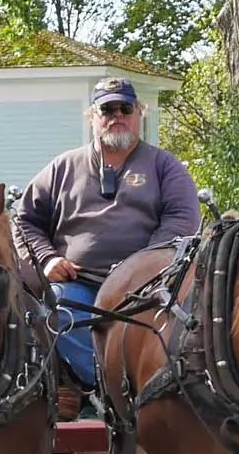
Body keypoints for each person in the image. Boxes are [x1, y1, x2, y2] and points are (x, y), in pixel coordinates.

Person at [13, 76, 201, 416]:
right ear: (92, 117)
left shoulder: (164, 167)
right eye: (107, 109)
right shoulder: (62, 168)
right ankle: (112, 395)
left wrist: (141, 265)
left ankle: (150, 395)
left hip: (148, 288)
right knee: (59, 308)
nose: (117, 115)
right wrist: (46, 258)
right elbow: (25, 220)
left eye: (125, 108)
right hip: (79, 286)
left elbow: (181, 220)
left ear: (138, 113)